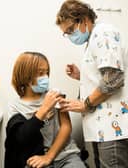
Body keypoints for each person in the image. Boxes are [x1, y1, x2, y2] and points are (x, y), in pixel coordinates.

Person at [56, 0, 128, 167]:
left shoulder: (103, 34)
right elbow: (104, 77)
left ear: (83, 19)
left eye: (70, 30)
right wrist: (81, 76)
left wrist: (85, 104)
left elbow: (114, 79)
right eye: (66, 33)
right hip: (102, 127)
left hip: (112, 128)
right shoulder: (94, 38)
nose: (69, 36)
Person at [4, 51, 86, 168]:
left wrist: (49, 157)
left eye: (47, 72)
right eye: (40, 73)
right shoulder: (15, 106)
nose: (45, 77)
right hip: (35, 157)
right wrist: (44, 108)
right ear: (24, 75)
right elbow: (21, 139)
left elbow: (66, 126)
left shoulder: (55, 94)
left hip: (65, 154)